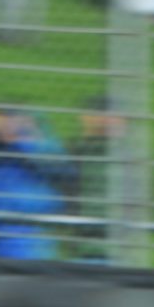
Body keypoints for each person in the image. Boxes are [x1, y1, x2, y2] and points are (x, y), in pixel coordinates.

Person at [0, 107, 67, 261]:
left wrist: (23, 141)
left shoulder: (38, 150)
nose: (7, 129)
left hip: (29, 241)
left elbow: (57, 172)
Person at [63, 96, 123, 263]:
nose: (108, 122)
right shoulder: (73, 151)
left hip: (116, 248)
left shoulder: (130, 157)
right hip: (82, 246)